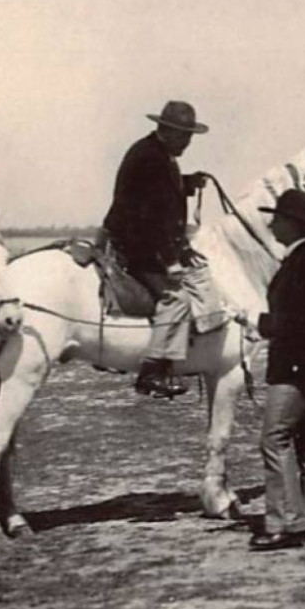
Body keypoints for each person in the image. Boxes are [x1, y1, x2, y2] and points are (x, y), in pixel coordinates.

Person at [101, 99, 214, 398]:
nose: (188, 143)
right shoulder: (152, 158)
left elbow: (163, 190)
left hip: (140, 241)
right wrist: (170, 261)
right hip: (139, 247)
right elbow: (153, 217)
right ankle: (151, 373)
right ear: (168, 130)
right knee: (175, 298)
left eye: (190, 136)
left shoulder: (155, 153)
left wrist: (189, 182)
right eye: (185, 136)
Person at [246, 188, 305, 551]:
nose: (271, 223)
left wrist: (257, 321)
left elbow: (297, 322)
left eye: (277, 218)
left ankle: (284, 523)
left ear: (292, 224)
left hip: (297, 366)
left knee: (275, 438)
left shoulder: (304, 264)